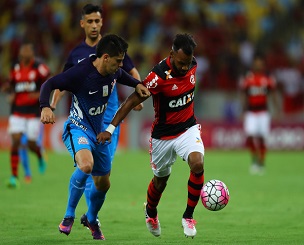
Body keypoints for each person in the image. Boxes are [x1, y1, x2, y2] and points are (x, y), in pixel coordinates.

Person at [40, 34, 150, 240]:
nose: (120, 65)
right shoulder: (80, 73)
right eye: (118, 61)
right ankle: (68, 215)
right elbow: (50, 84)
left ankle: (91, 218)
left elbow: (124, 76)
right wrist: (45, 106)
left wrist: (137, 84)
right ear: (106, 57)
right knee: (86, 165)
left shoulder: (113, 72)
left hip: (99, 133)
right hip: (78, 127)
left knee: (103, 183)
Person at [97, 33, 205, 238]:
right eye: (181, 63)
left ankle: (188, 216)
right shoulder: (158, 77)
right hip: (162, 136)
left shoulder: (193, 64)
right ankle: (151, 212)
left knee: (197, 164)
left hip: (188, 129)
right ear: (171, 54)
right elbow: (131, 100)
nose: (184, 67)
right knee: (160, 181)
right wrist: (110, 129)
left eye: (188, 63)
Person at [3, 42, 50, 188]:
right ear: (20, 54)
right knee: (16, 141)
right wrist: (9, 91)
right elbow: (11, 84)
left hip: (33, 112)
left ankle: (40, 156)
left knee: (30, 144)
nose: (26, 53)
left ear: (32, 53)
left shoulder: (39, 67)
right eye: (24, 51)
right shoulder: (15, 67)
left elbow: (50, 80)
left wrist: (39, 94)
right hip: (17, 110)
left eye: (29, 50)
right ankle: (14, 176)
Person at [239, 55, 280, 175]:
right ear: (253, 64)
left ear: (263, 65)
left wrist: (277, 109)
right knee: (250, 135)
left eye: (260, 63)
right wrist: (242, 111)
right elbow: (244, 96)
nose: (258, 65)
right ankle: (254, 160)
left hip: (263, 112)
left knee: (262, 138)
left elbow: (273, 94)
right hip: (251, 112)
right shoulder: (248, 79)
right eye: (256, 63)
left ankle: (261, 162)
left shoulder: (267, 79)